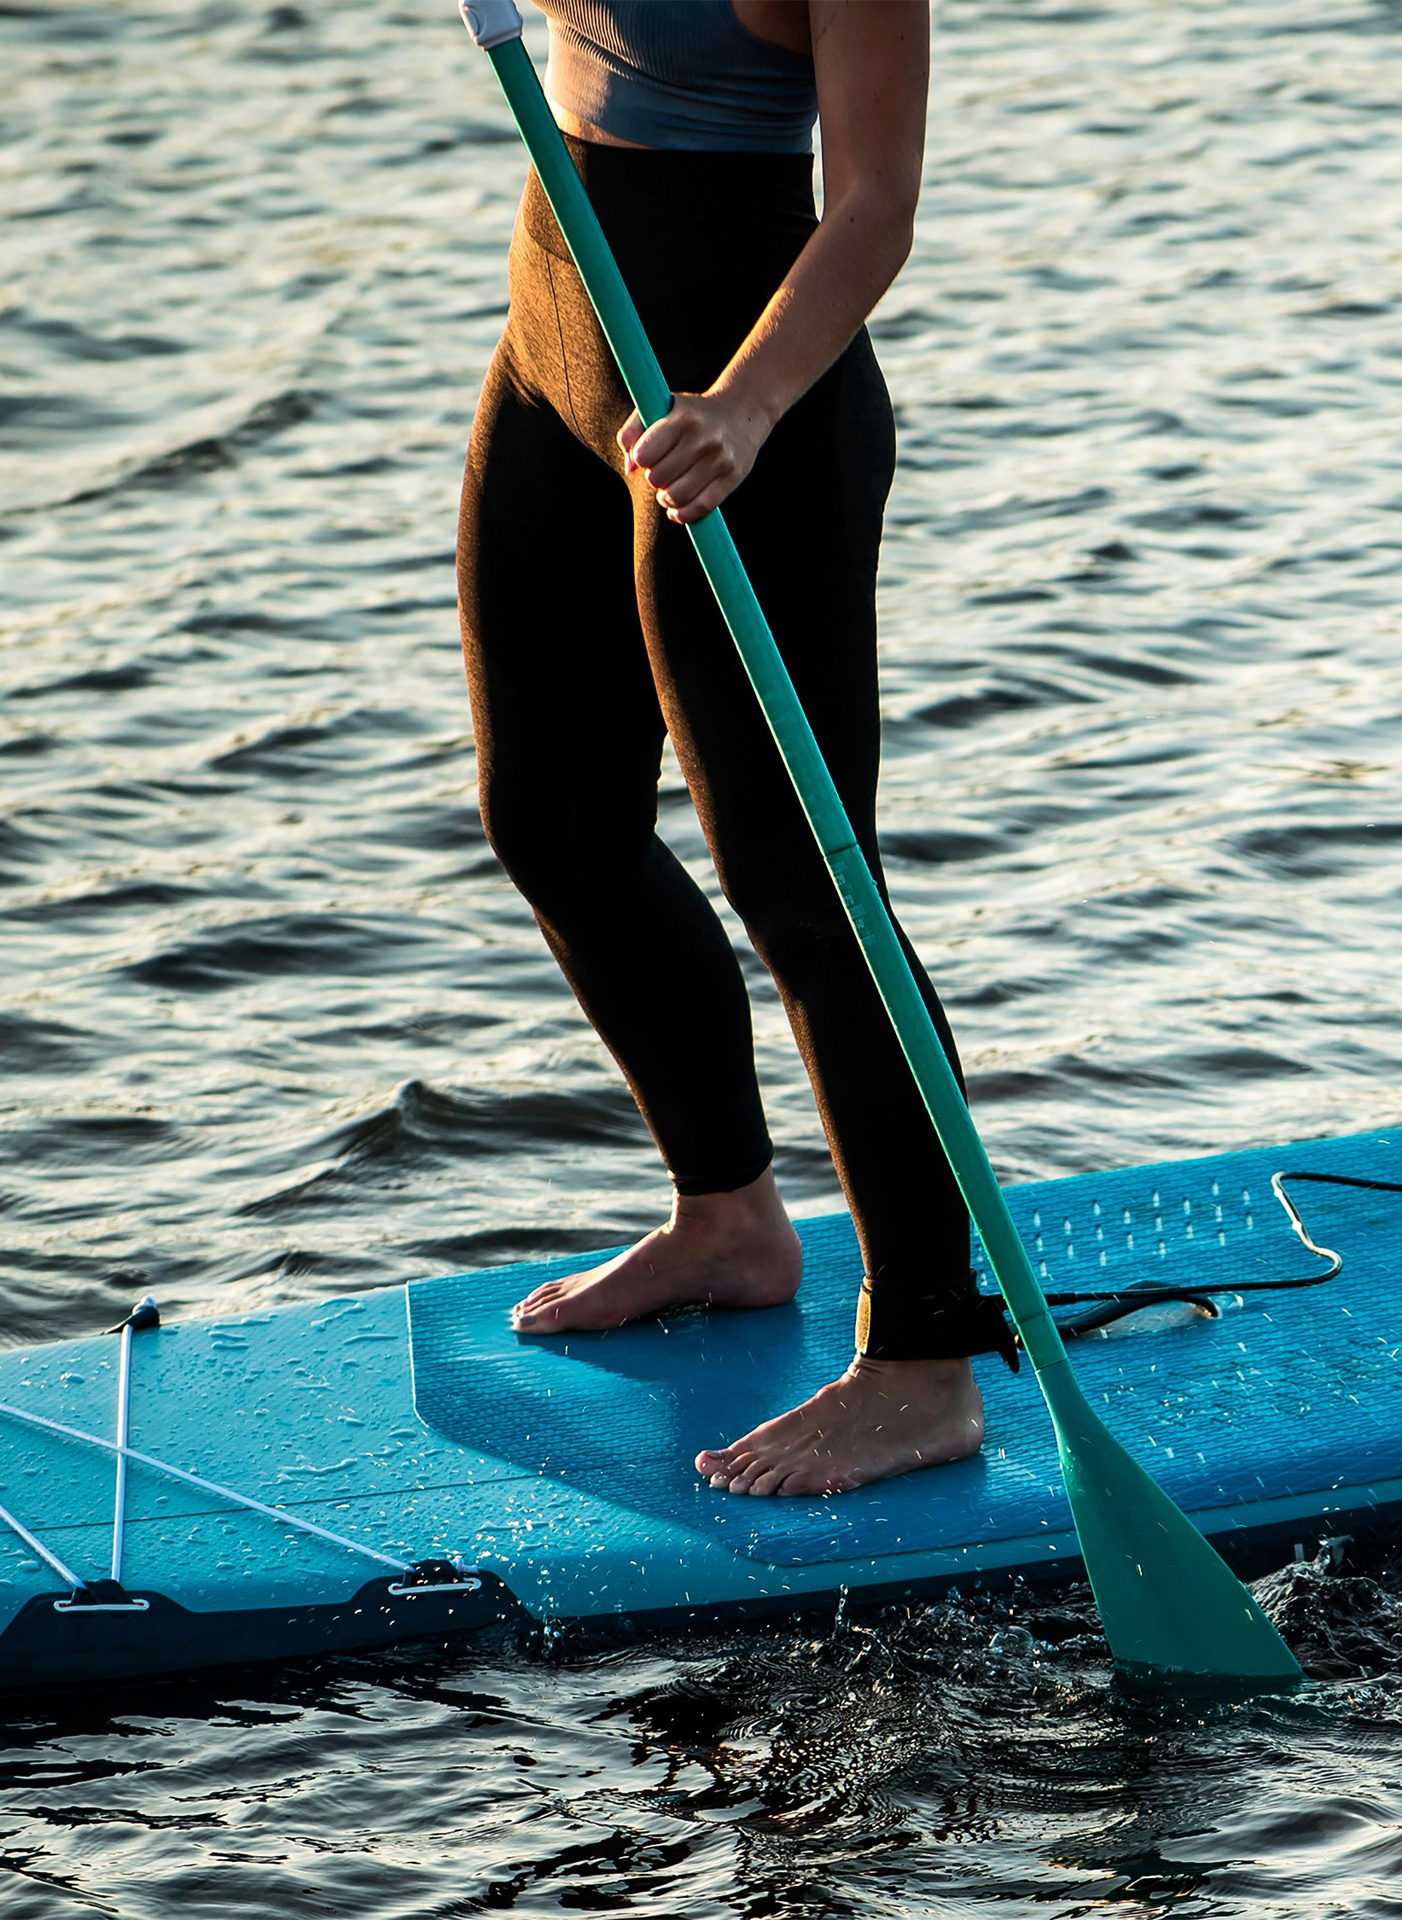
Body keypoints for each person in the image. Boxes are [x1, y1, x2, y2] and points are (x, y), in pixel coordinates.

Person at [457, 0, 1008, 1498]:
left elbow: (877, 207)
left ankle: (925, 1366)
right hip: (557, 331)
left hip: (740, 392)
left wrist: (748, 407)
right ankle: (730, 1221)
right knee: (553, 821)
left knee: (806, 885)